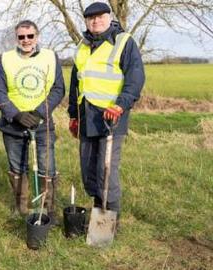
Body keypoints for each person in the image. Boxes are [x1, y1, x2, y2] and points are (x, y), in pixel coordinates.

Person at [68, 2, 145, 228]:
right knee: (89, 170)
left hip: (111, 115)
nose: (96, 21)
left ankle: (110, 221)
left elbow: (135, 78)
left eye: (100, 17)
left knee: (106, 170)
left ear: (109, 17)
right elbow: (76, 83)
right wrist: (73, 114)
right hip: (86, 115)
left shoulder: (123, 42)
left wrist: (121, 105)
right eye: (91, 18)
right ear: (86, 21)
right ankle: (97, 211)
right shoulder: (82, 46)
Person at [0, 20, 65, 223]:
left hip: (42, 125)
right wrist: (15, 114)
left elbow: (58, 88)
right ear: (16, 38)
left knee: (47, 167)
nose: (26, 40)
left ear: (37, 36)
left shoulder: (50, 57)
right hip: (13, 125)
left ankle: (48, 209)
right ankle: (21, 208)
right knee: (17, 168)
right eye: (21, 37)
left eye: (30, 36)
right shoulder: (6, 58)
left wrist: (40, 113)